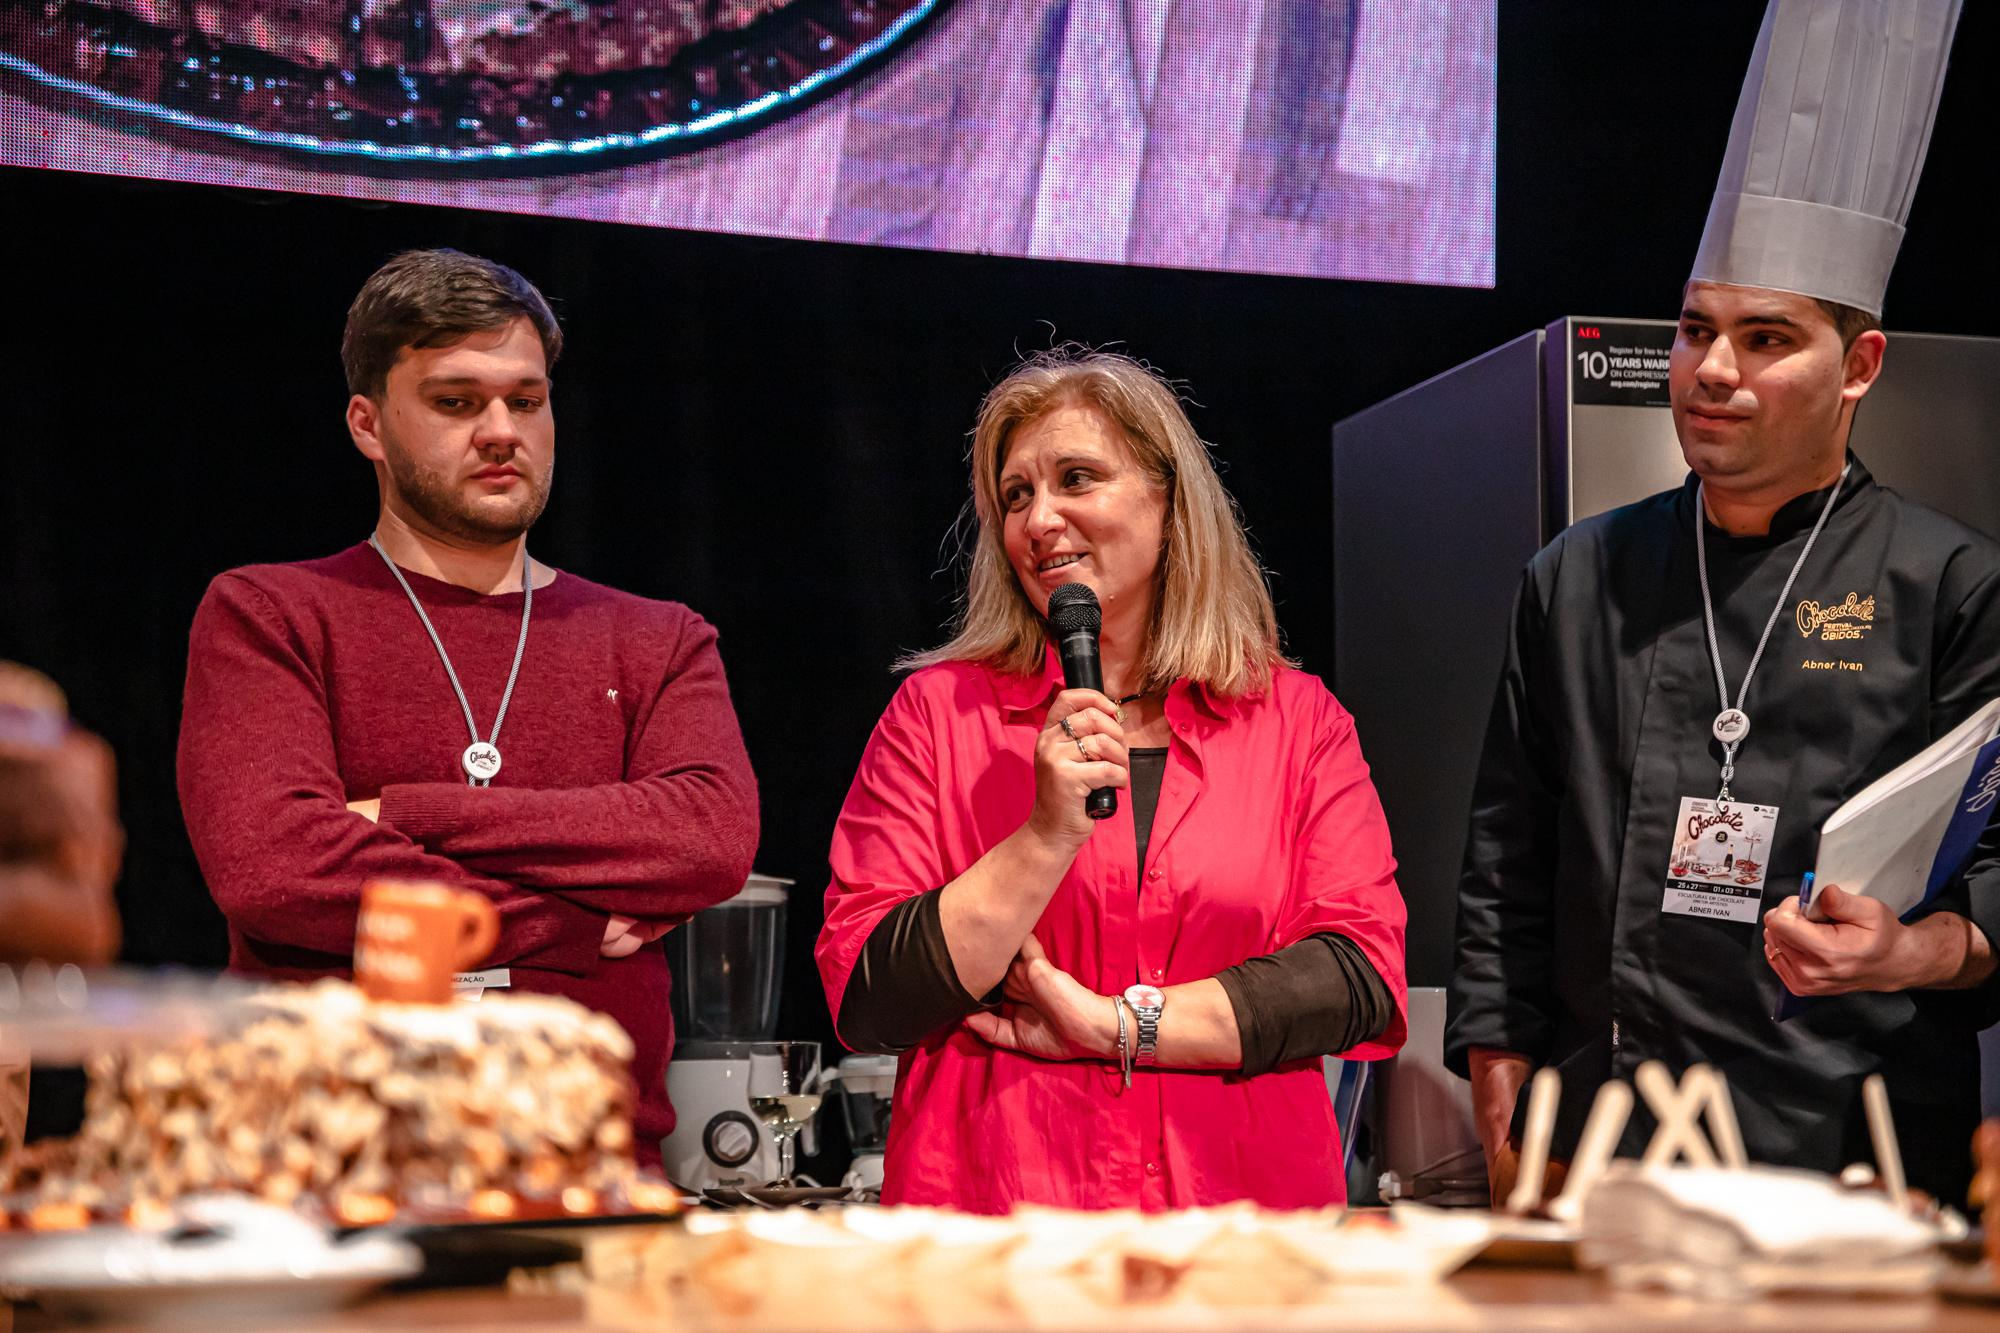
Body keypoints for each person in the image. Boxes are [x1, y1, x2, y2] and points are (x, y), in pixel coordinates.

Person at [1447, 0, 1998, 1206]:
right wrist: (1498, 1097)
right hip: (1601, 1152)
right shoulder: (1575, 577)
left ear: (1857, 368)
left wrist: (1913, 947)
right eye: (1697, 331)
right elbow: (1505, 868)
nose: (1711, 372)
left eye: (1764, 340)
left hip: (1854, 1153)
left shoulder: (1949, 582)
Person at [176, 250, 758, 1159]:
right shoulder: (269, 611)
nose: (500, 430)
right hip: (330, 1167)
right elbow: (276, 869)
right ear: (368, 425)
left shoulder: (658, 637)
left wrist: (406, 813)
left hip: (591, 1166)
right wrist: (570, 919)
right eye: (455, 401)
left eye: (525, 401)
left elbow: (707, 837)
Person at [816, 349, 1407, 1213]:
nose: (1039, 518)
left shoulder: (1296, 720)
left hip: (1242, 1238)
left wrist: (1114, 1026)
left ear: (1170, 500)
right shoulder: (936, 716)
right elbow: (870, 996)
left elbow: (1357, 976)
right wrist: (1043, 836)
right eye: (1016, 496)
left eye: (1076, 478)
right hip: (998, 1233)